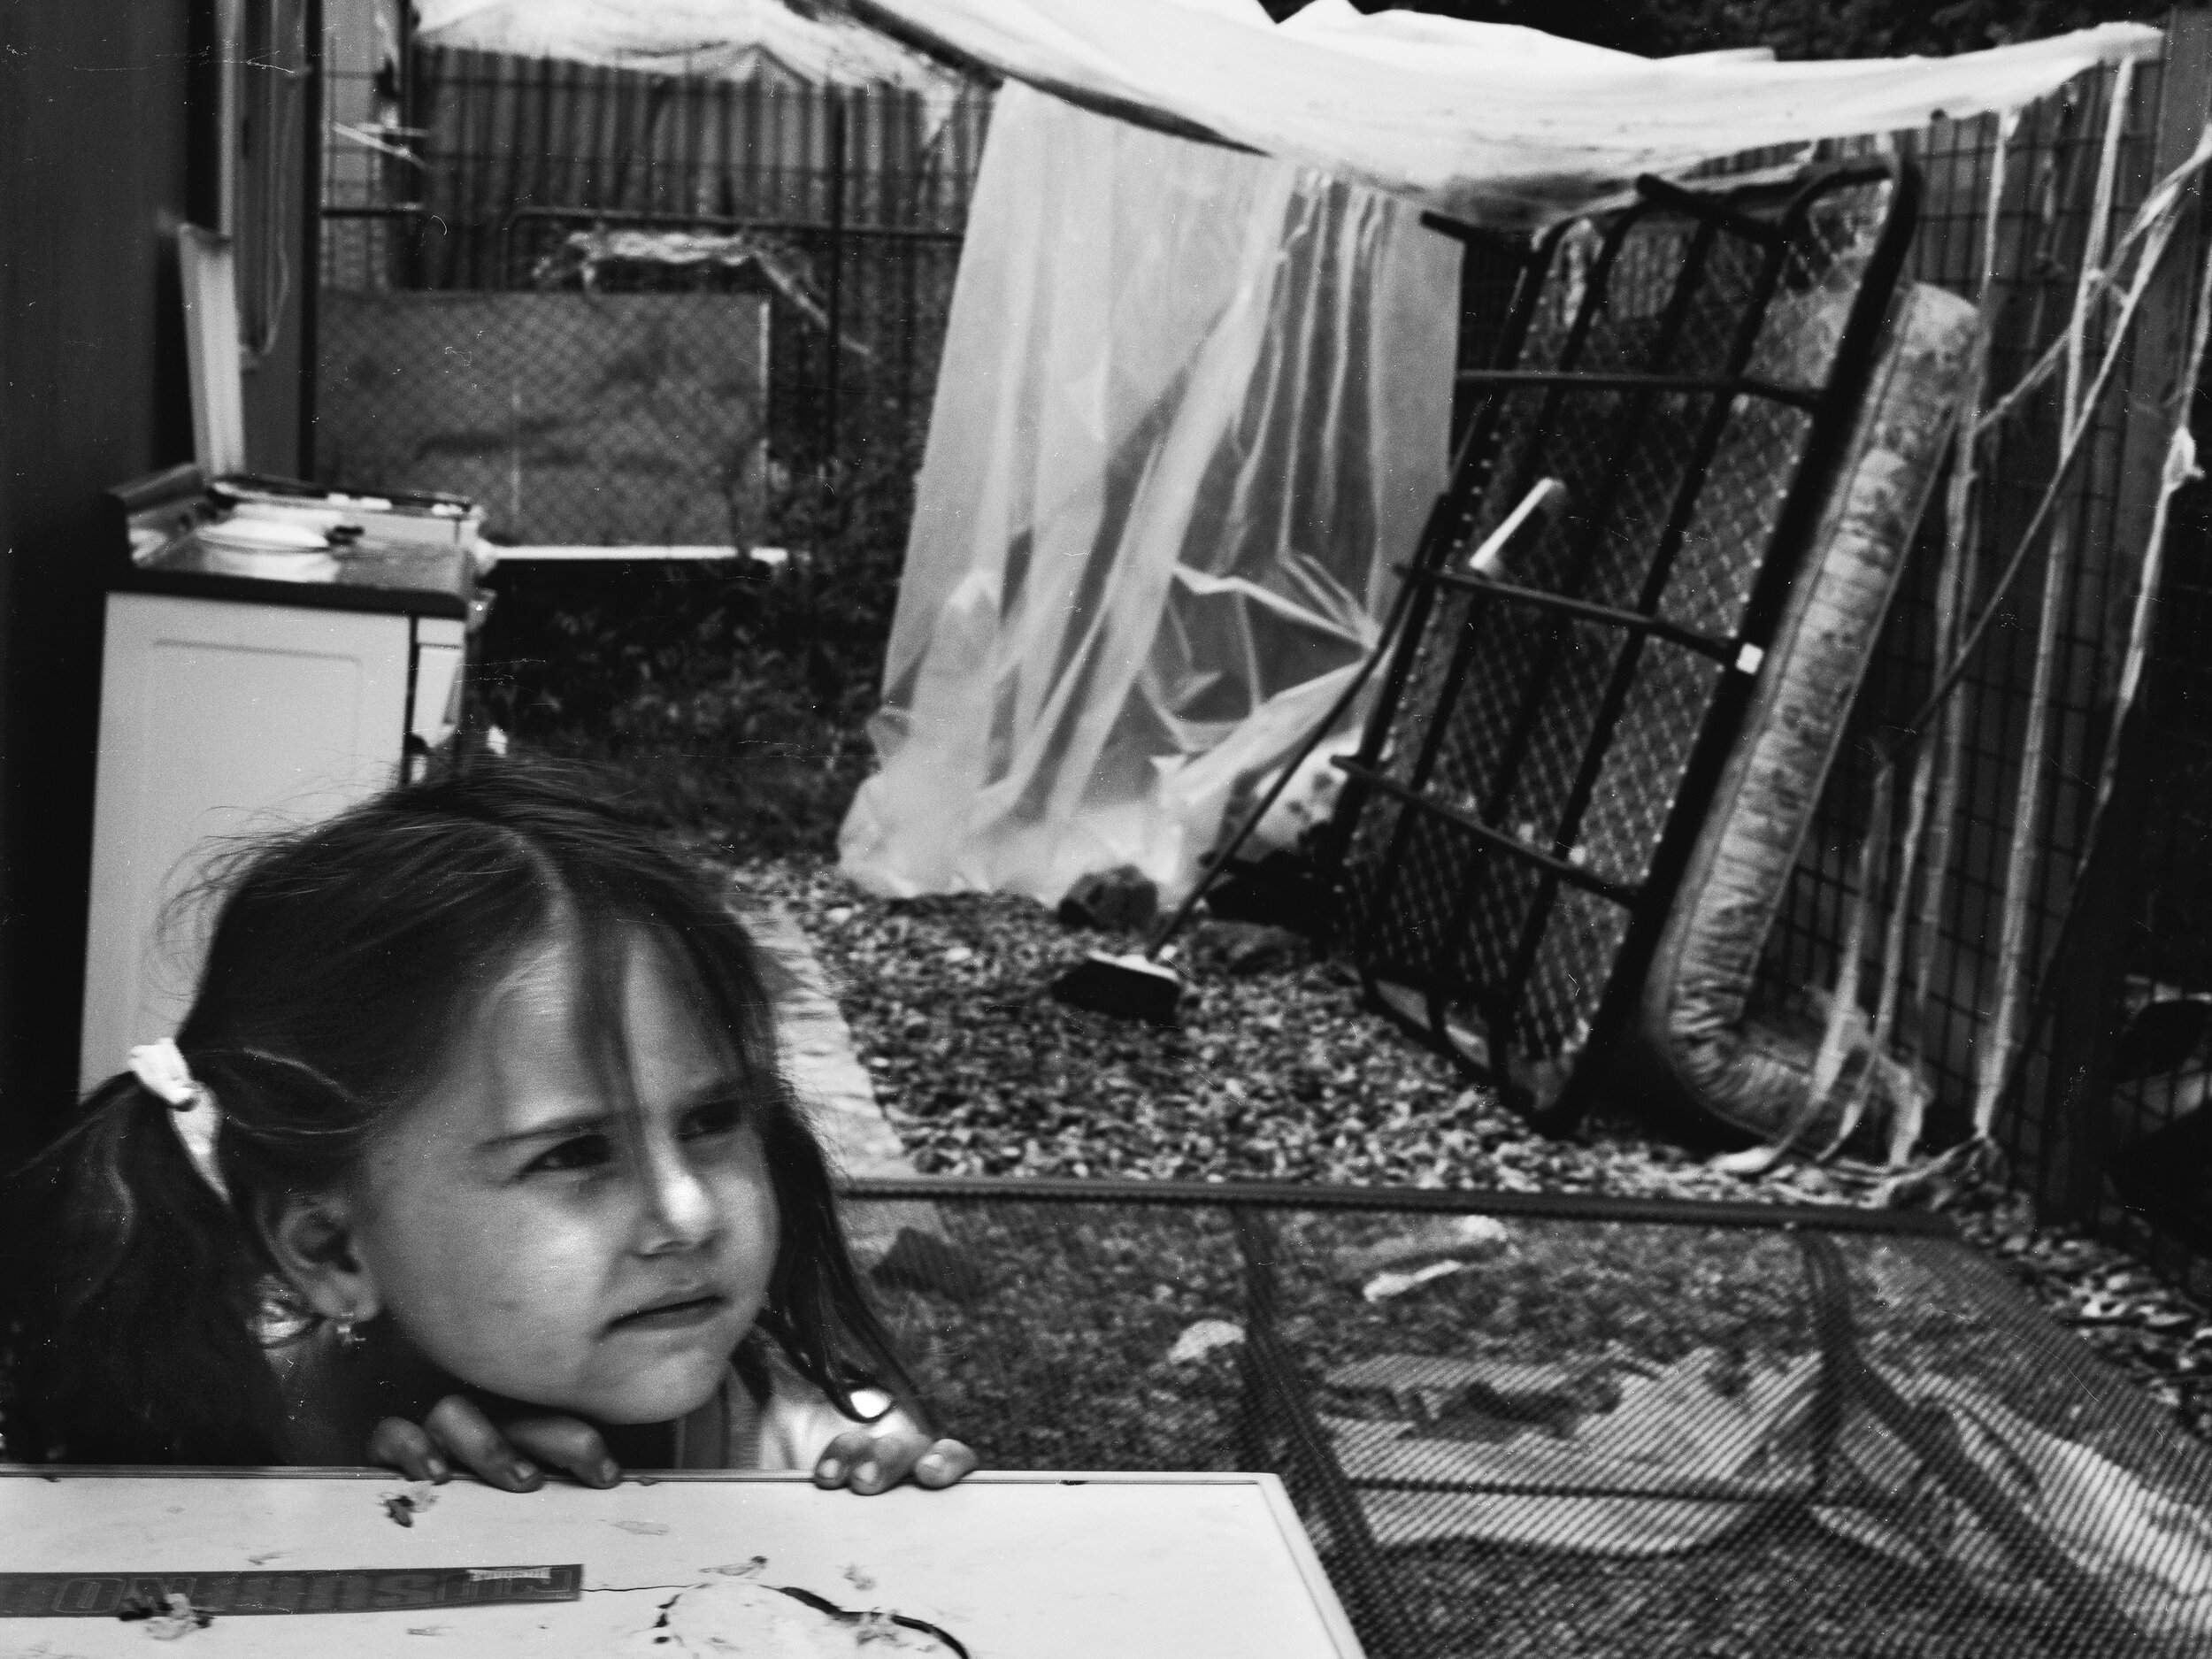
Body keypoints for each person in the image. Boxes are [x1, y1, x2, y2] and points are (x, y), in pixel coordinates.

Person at [3, 764, 974, 1497]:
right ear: (330, 1247)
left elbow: (856, 1471)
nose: (687, 1213)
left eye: (713, 1119)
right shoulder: (200, 1427)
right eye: (573, 1153)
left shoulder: (767, 1427)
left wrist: (881, 1497)